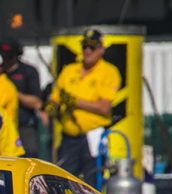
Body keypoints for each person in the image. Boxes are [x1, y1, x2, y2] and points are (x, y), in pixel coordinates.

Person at [44, 28, 121, 180]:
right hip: (69, 138)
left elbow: (104, 108)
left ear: (101, 49)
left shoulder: (109, 72)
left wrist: (74, 102)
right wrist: (52, 108)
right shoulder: (69, 70)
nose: (87, 51)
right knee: (64, 180)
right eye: (84, 46)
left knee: (93, 180)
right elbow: (54, 98)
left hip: (93, 137)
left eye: (92, 47)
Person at [0, 37, 43, 157]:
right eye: (3, 57)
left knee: (28, 157)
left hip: (24, 126)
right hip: (1, 126)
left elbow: (36, 103)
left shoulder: (28, 72)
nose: (6, 61)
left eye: (9, 57)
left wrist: (12, 92)